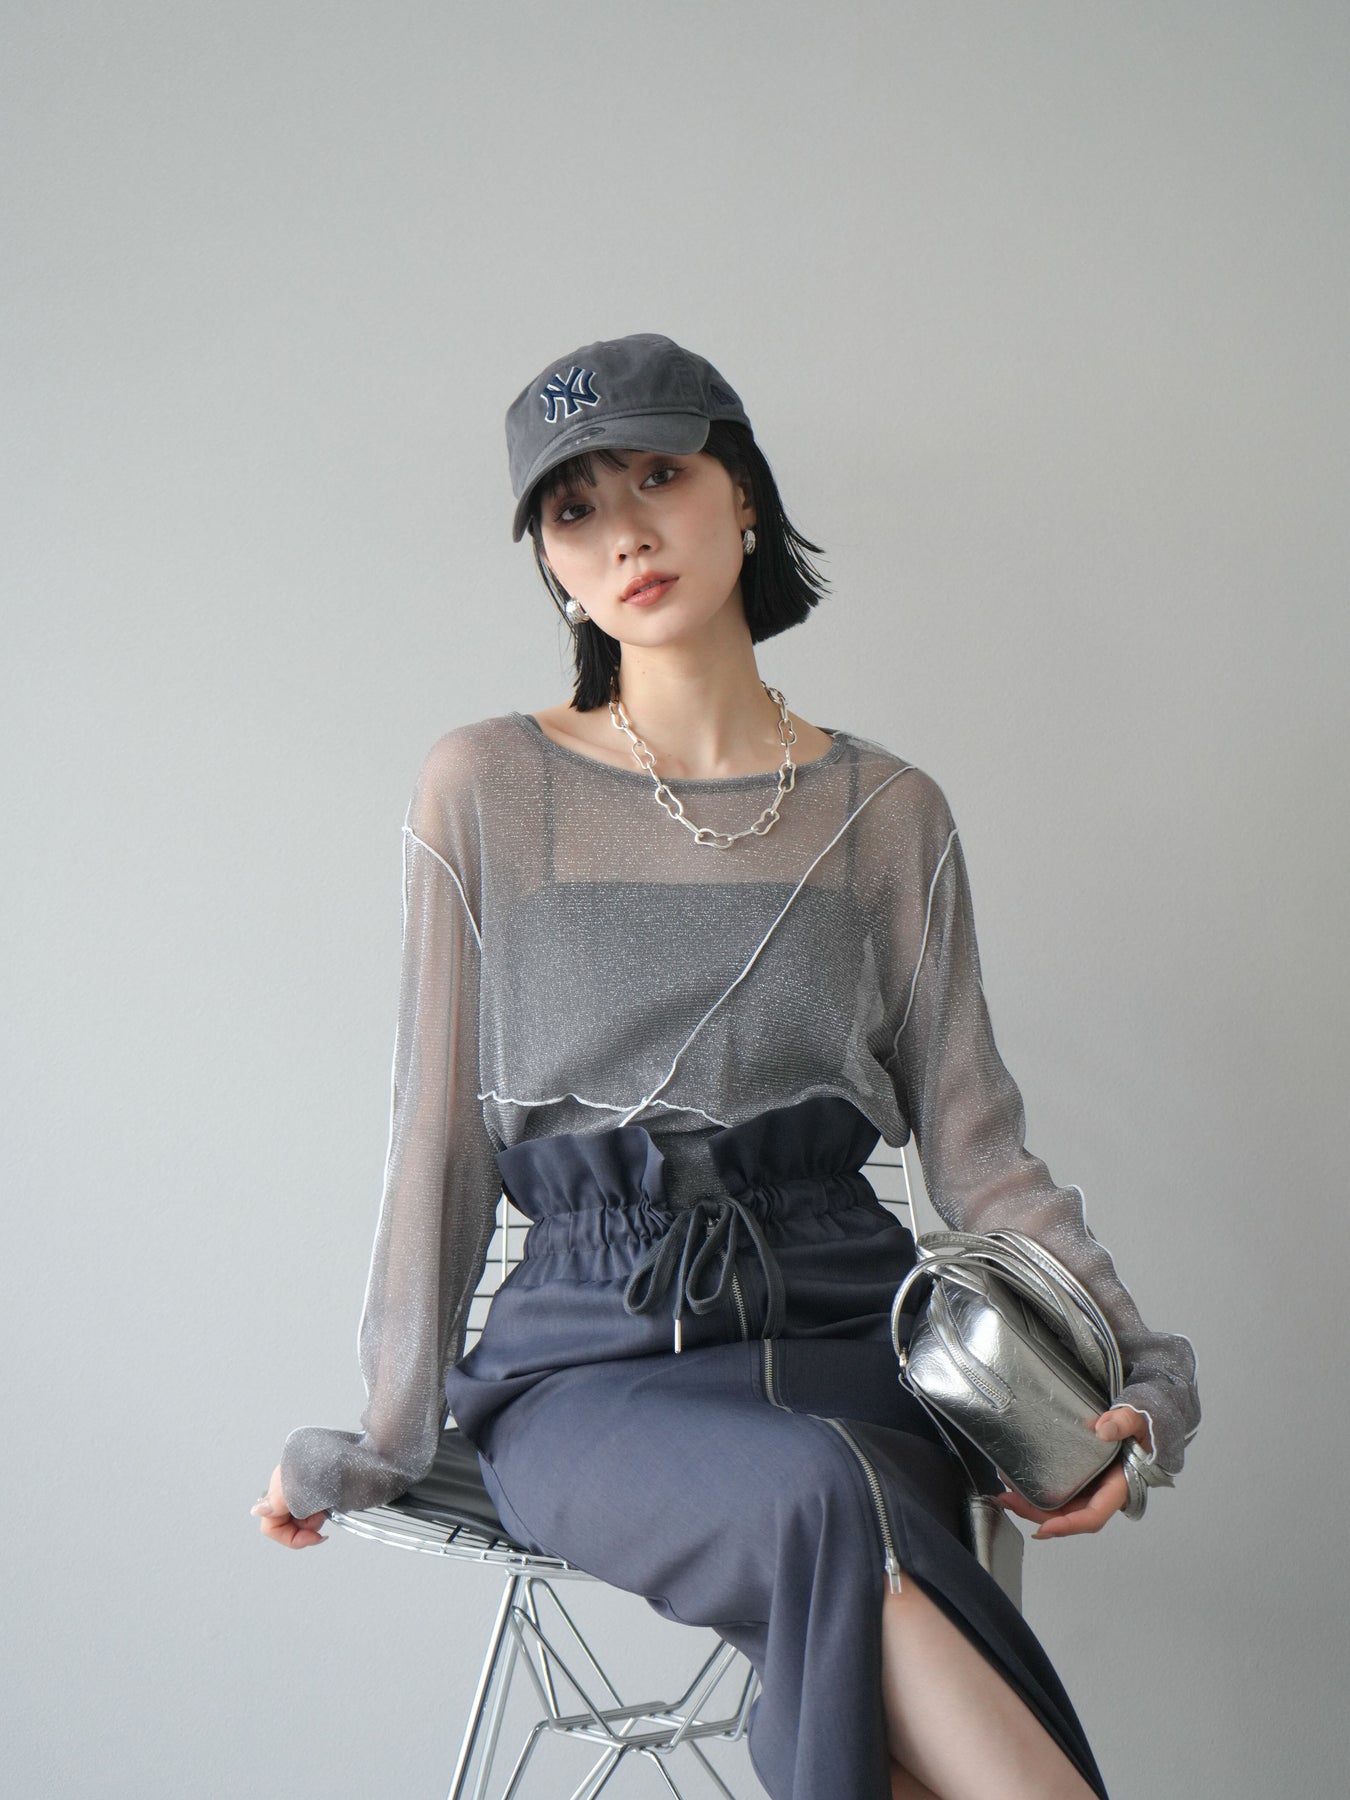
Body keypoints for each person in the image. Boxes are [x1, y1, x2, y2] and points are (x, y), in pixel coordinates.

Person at [254, 332, 1200, 1800]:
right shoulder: (484, 786)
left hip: (850, 1339)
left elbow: (979, 1152)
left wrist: (1136, 1370)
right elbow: (435, 1141)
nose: (624, 534)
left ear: (741, 494)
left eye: (659, 476)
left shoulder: (889, 812)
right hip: (587, 1365)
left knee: (853, 1533)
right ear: (549, 561)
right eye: (574, 509)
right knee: (833, 1509)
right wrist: (382, 1433)